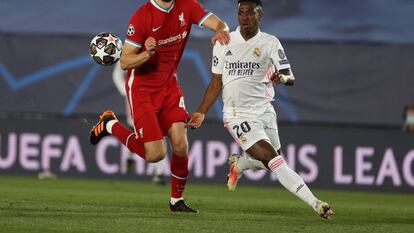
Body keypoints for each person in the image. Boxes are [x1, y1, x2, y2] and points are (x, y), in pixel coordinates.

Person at [188, 0, 334, 220]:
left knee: (272, 160)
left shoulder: (270, 43)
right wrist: (201, 111)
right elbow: (215, 82)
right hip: (237, 115)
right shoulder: (223, 42)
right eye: (240, 13)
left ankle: (242, 163)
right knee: (274, 160)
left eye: (250, 13)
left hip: (264, 111)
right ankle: (316, 203)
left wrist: (282, 77)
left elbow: (289, 74)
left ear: (260, 15)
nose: (244, 17)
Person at [89, 0, 230, 213]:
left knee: (181, 145)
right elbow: (125, 62)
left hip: (169, 85)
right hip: (142, 90)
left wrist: (222, 31)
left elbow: (220, 23)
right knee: (155, 155)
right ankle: (110, 124)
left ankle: (176, 200)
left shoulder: (188, 5)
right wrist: (147, 54)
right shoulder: (141, 17)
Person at [112, 61, 167, 184]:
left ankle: (159, 172)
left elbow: (170, 75)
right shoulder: (131, 49)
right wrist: (125, 90)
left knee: (158, 134)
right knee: (138, 133)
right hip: (136, 98)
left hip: (157, 97)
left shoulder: (161, 51)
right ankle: (130, 156)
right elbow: (117, 74)